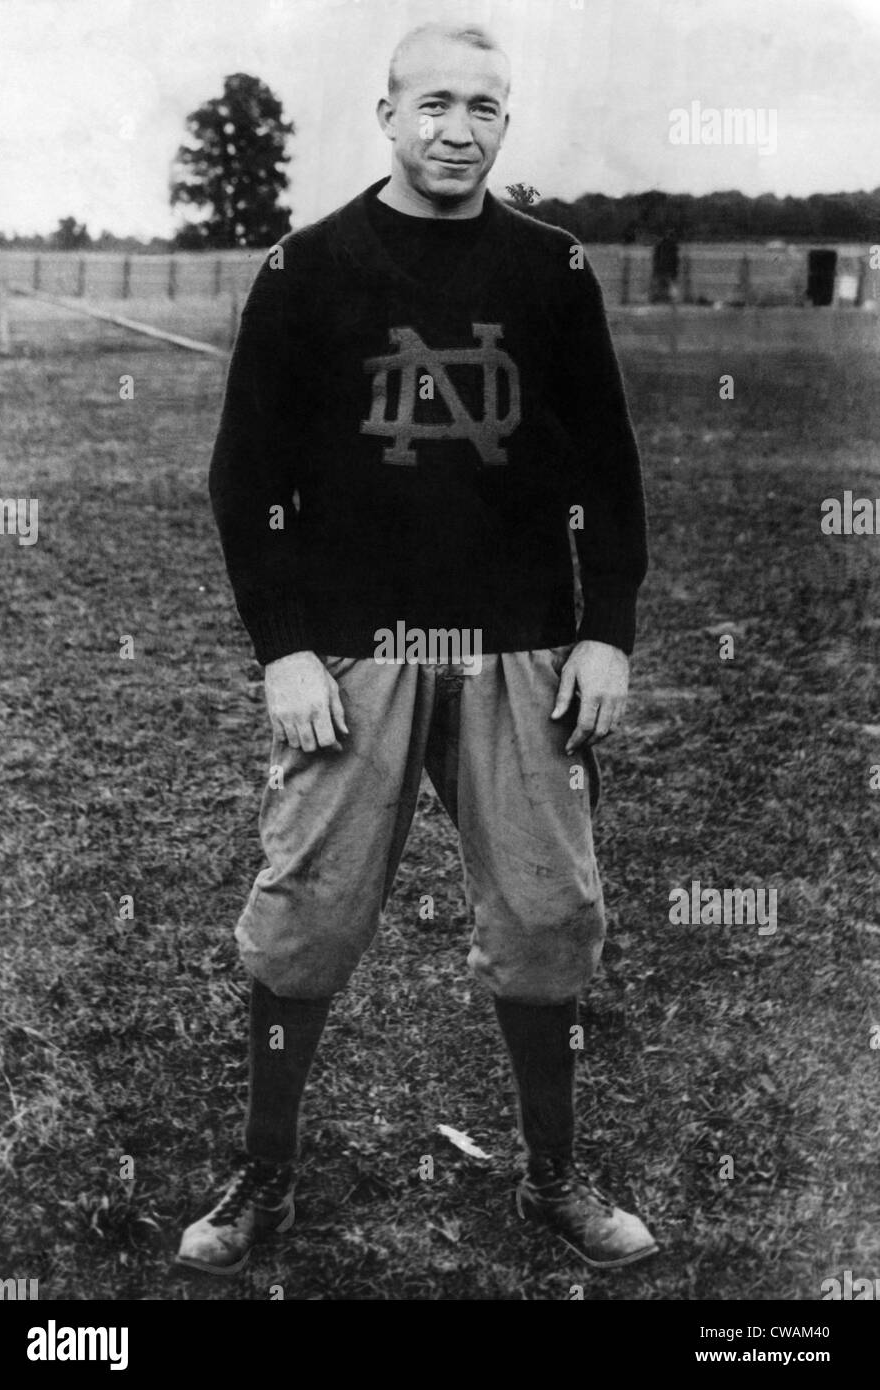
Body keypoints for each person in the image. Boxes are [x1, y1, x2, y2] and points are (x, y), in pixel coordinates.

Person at [178, 21, 656, 1279]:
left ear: (509, 122)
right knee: (303, 920)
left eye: (485, 108)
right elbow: (245, 480)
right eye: (435, 103)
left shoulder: (553, 271)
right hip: (354, 653)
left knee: (552, 916)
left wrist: (605, 631)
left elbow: (607, 473)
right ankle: (264, 1180)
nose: (459, 128)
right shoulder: (308, 269)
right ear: (387, 113)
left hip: (523, 652)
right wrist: (283, 649)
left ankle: (553, 1175)